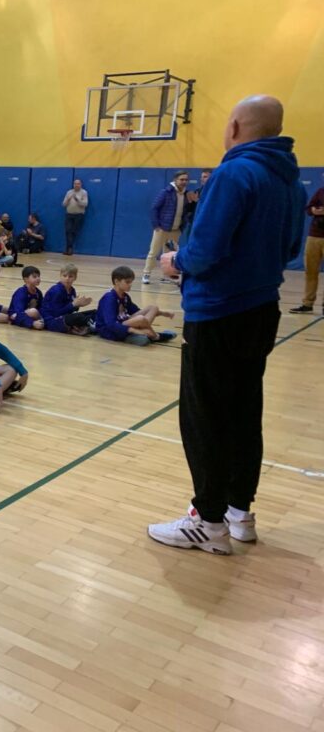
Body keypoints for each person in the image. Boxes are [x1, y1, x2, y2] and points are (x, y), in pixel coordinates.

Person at [148, 94, 305, 554]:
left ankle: (208, 521)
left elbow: (205, 249)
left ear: (235, 127)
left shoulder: (234, 173)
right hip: (262, 310)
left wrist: (176, 261)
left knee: (204, 417)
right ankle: (239, 511)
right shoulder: (291, 181)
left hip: (217, 314)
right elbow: (290, 249)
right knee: (243, 412)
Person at [94, 266, 174, 345]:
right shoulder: (109, 298)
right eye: (127, 282)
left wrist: (163, 313)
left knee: (153, 308)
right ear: (116, 281)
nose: (130, 284)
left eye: (131, 282)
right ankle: (155, 336)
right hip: (110, 331)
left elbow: (137, 311)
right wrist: (135, 330)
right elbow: (111, 324)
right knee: (140, 319)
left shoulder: (125, 296)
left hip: (123, 323)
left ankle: (147, 333)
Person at [142, 170, 192, 284]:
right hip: (162, 229)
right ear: (175, 180)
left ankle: (166, 276)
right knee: (153, 252)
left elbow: (186, 212)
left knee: (170, 255)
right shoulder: (166, 192)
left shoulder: (186, 194)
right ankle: (146, 274)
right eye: (182, 179)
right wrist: (156, 225)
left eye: (186, 180)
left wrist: (181, 228)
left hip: (176, 230)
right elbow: (154, 208)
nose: (184, 182)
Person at [290, 171, 324, 314]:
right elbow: (309, 208)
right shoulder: (320, 191)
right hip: (314, 236)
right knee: (310, 271)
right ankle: (307, 303)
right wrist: (314, 210)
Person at [41, 263, 95, 335]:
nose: (67, 278)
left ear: (75, 278)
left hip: (64, 317)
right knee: (78, 317)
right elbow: (56, 313)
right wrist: (73, 304)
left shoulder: (72, 290)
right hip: (52, 321)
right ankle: (92, 326)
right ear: (60, 276)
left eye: (70, 276)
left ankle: (84, 326)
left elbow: (71, 310)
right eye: (64, 276)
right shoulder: (57, 291)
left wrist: (78, 305)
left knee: (94, 312)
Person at [8, 266, 46, 330]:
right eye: (34, 277)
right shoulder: (21, 292)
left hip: (29, 315)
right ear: (26, 279)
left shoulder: (38, 293)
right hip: (16, 316)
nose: (38, 278)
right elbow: (19, 313)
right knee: (33, 311)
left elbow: (41, 308)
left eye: (38, 276)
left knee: (36, 311)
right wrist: (32, 323)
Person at [62, 178, 88, 256]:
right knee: (68, 231)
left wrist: (77, 200)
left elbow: (85, 204)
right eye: (75, 183)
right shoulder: (69, 192)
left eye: (78, 184)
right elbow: (63, 204)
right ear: (73, 184)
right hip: (69, 214)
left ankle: (69, 249)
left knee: (73, 231)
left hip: (79, 215)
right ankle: (69, 248)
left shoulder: (84, 192)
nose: (76, 185)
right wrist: (68, 199)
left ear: (81, 184)